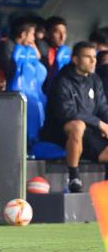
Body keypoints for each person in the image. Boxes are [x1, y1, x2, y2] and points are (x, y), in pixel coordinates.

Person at [41, 42, 108, 193]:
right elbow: (67, 113)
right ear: (75, 60)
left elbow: (103, 108)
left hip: (90, 131)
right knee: (78, 125)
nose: (93, 61)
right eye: (87, 57)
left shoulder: (95, 80)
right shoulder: (62, 81)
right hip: (59, 131)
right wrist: (100, 124)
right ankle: (74, 177)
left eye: (94, 57)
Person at [40, 16, 69, 92]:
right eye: (57, 32)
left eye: (64, 32)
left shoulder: (66, 53)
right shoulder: (42, 50)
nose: (62, 37)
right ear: (47, 34)